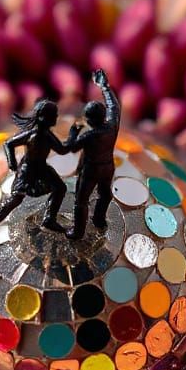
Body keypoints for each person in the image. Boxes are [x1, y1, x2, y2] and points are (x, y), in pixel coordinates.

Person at [0, 99, 79, 242]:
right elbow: (8, 143)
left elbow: (62, 150)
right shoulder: (33, 134)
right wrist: (12, 164)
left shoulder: (47, 135)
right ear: (43, 118)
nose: (56, 118)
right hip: (27, 170)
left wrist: (72, 136)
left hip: (42, 168)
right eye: (53, 115)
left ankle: (49, 219)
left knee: (60, 188)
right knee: (16, 198)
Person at [65, 68, 121, 241]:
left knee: (81, 201)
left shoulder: (89, 135)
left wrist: (73, 132)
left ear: (89, 120)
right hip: (108, 167)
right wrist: (104, 86)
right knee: (105, 194)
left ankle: (78, 232)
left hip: (91, 171)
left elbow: (71, 148)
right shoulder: (112, 125)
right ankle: (99, 219)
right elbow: (114, 105)